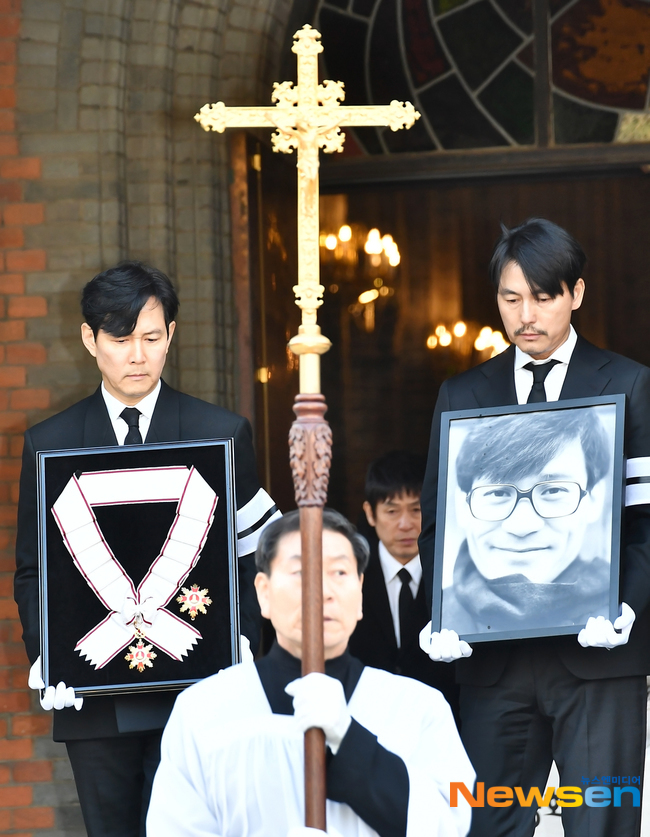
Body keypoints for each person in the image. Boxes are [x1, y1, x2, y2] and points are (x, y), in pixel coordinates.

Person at [13, 262, 280, 837]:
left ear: (171, 336)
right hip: (93, 695)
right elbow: (33, 570)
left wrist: (244, 637)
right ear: (90, 340)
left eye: (152, 338)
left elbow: (255, 556)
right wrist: (47, 656)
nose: (138, 356)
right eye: (120, 339)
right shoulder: (50, 443)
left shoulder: (222, 434)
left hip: (198, 689)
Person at [419, 218, 650, 837]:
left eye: (543, 298)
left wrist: (626, 604)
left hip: (599, 660)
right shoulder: (462, 394)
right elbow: (440, 524)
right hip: (494, 662)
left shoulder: (630, 384)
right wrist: (443, 610)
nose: (526, 316)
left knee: (602, 823)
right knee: (490, 823)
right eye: (511, 298)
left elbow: (646, 519)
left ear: (576, 293)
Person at [147, 509, 475, 837]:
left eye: (339, 572)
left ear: (360, 591)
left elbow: (451, 824)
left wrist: (352, 742)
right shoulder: (205, 711)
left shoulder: (417, 708)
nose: (322, 590)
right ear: (263, 592)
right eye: (301, 572)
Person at [442, 409, 611, 635]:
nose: (521, 526)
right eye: (497, 493)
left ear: (594, 499)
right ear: (462, 506)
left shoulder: (631, 610)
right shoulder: (430, 618)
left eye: (552, 490)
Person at [348, 451, 458, 712]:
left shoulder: (455, 576)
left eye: (416, 509)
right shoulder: (348, 575)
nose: (405, 524)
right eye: (392, 511)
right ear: (370, 514)